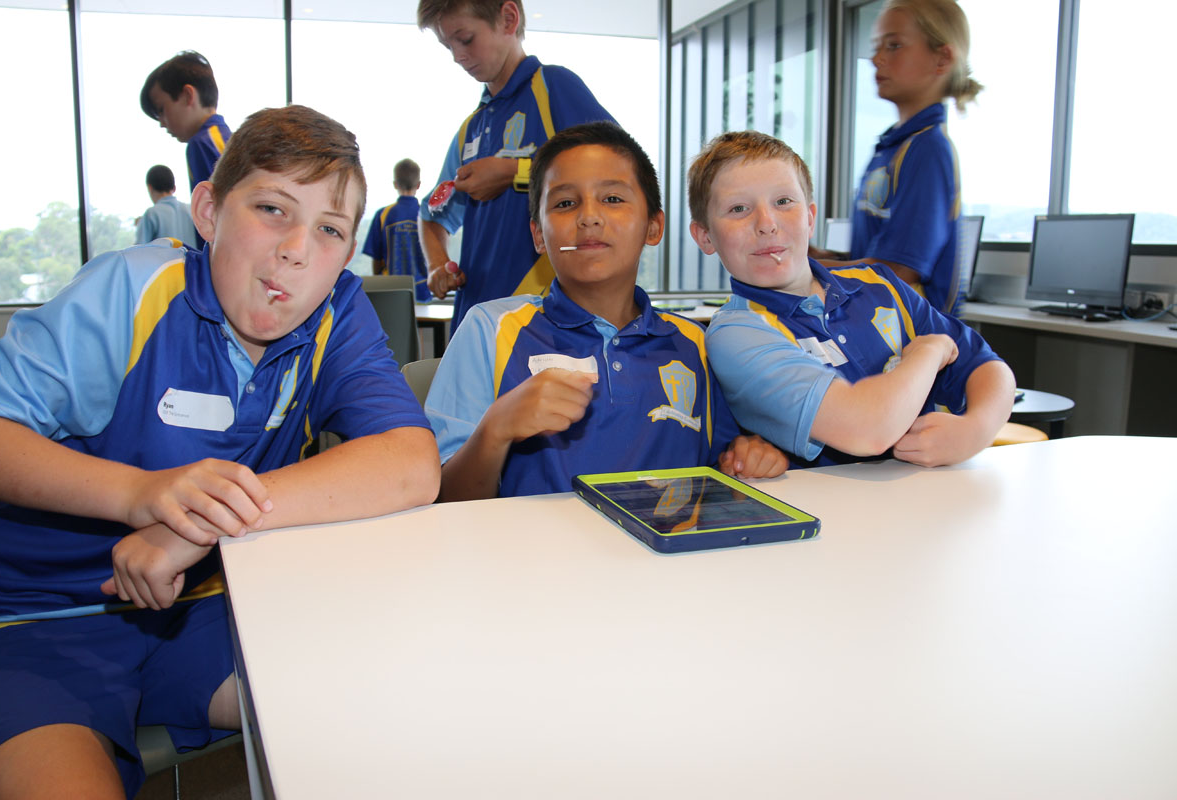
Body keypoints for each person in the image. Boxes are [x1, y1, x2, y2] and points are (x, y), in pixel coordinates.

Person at [0, 105, 440, 799]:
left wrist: (199, 525)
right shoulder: (130, 289)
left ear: (348, 254)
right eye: (272, 210)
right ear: (208, 211)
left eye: (329, 230)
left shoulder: (337, 311)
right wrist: (140, 495)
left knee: (385, 718)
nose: (297, 250)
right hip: (37, 619)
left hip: (212, 606)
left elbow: (410, 462)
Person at [426, 121, 787, 501]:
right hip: (534, 542)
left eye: (612, 199)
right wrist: (495, 430)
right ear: (539, 235)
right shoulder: (489, 329)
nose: (589, 217)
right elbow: (446, 500)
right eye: (565, 204)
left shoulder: (698, 345)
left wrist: (748, 456)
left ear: (653, 227)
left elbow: (724, 467)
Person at [688, 130, 1014, 470]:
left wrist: (977, 429)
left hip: (928, 492)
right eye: (739, 208)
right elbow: (868, 430)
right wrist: (930, 351)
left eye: (783, 202)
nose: (767, 224)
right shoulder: (737, 331)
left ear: (810, 218)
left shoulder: (879, 284)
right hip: (832, 503)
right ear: (705, 236)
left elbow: (986, 365)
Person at [416, 0, 615, 331]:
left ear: (508, 19)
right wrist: (438, 265)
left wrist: (514, 173)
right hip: (476, 317)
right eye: (447, 45)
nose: (457, 56)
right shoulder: (471, 129)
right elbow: (431, 215)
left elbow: (615, 166)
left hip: (545, 316)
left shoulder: (553, 86)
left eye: (465, 39)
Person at [817, 0, 980, 316]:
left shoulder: (928, 150)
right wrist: (817, 256)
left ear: (942, 58)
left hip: (914, 338)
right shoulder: (891, 149)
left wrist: (805, 268)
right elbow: (872, 258)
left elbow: (899, 271)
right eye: (876, 47)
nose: (876, 59)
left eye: (893, 46)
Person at [140, 51, 232, 218]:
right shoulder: (220, 137)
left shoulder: (203, 143)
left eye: (161, 110)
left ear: (188, 95)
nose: (162, 123)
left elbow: (221, 216)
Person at [363, 158, 431, 302]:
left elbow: (376, 258)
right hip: (422, 289)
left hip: (390, 290)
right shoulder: (426, 214)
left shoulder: (383, 214)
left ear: (395, 184)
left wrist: (379, 285)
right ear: (418, 185)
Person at [134, 164, 198, 246]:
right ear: (174, 188)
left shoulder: (151, 214)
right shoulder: (191, 210)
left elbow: (138, 250)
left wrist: (141, 225)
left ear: (149, 187)